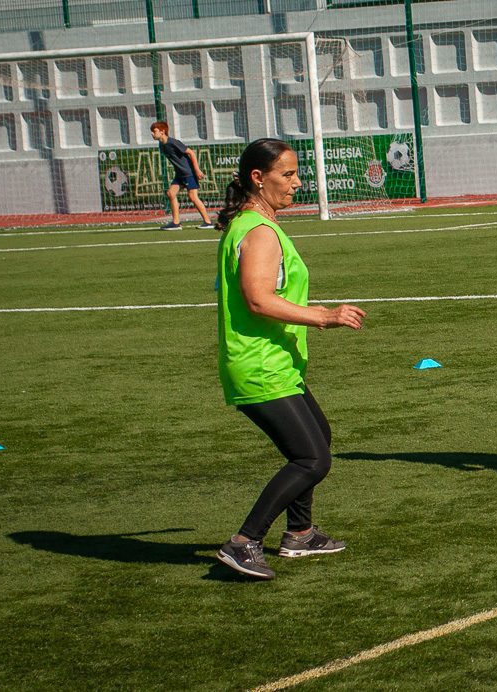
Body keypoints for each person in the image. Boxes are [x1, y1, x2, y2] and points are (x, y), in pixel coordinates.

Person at [214, 138, 367, 580]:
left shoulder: (256, 225)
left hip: (276, 363)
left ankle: (299, 533)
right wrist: (324, 316)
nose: (297, 183)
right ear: (258, 179)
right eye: (288, 175)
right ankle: (243, 542)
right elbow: (258, 300)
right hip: (258, 365)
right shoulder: (258, 231)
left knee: (318, 433)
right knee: (311, 459)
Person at [149, 121, 215, 230]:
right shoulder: (161, 145)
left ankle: (208, 222)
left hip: (188, 173)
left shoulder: (173, 142)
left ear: (162, 132)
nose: (152, 134)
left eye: (154, 131)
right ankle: (176, 223)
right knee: (171, 193)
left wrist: (197, 170)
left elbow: (191, 153)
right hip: (180, 174)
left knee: (193, 196)